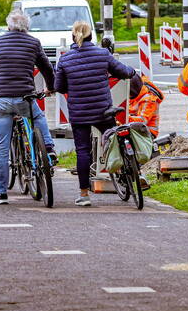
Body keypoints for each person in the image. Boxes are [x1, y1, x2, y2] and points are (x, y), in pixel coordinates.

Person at [54, 20, 136, 207]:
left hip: (79, 112)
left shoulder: (65, 59)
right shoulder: (102, 54)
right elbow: (122, 71)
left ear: (72, 37)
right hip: (103, 111)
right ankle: (129, 174)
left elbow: (59, 87)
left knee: (83, 151)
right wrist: (131, 72)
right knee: (114, 141)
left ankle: (84, 195)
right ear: (92, 36)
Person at [0, 9, 57, 206]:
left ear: (9, 26)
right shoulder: (33, 42)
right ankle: (48, 149)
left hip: (1, 100)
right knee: (38, 117)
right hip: (25, 97)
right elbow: (46, 67)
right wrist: (51, 87)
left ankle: (1, 193)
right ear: (27, 27)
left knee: (0, 147)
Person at [128, 73, 164, 138]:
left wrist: (125, 118)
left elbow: (142, 121)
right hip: (136, 129)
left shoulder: (149, 99)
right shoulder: (136, 95)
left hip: (148, 132)